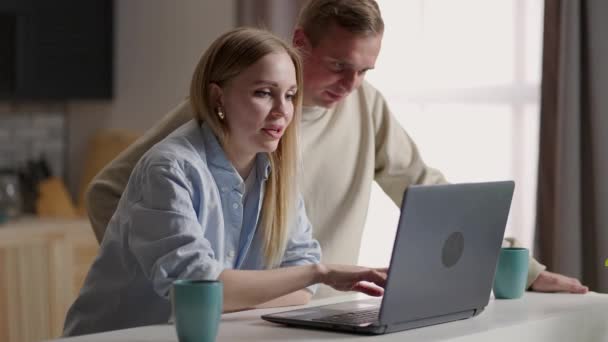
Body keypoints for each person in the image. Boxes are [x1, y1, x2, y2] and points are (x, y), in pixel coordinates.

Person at [85, 0, 588, 297]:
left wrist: (522, 269)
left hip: (315, 308)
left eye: (365, 70)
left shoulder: (364, 106)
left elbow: (430, 194)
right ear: (300, 42)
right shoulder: (230, 114)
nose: (352, 85)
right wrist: (182, 288)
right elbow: (108, 191)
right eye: (340, 66)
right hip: (240, 312)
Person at [63, 27, 388, 336]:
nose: (282, 111)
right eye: (264, 93)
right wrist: (319, 272)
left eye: (290, 95)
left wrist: (236, 297)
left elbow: (301, 288)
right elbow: (200, 287)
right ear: (218, 97)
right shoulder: (169, 168)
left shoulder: (276, 170)